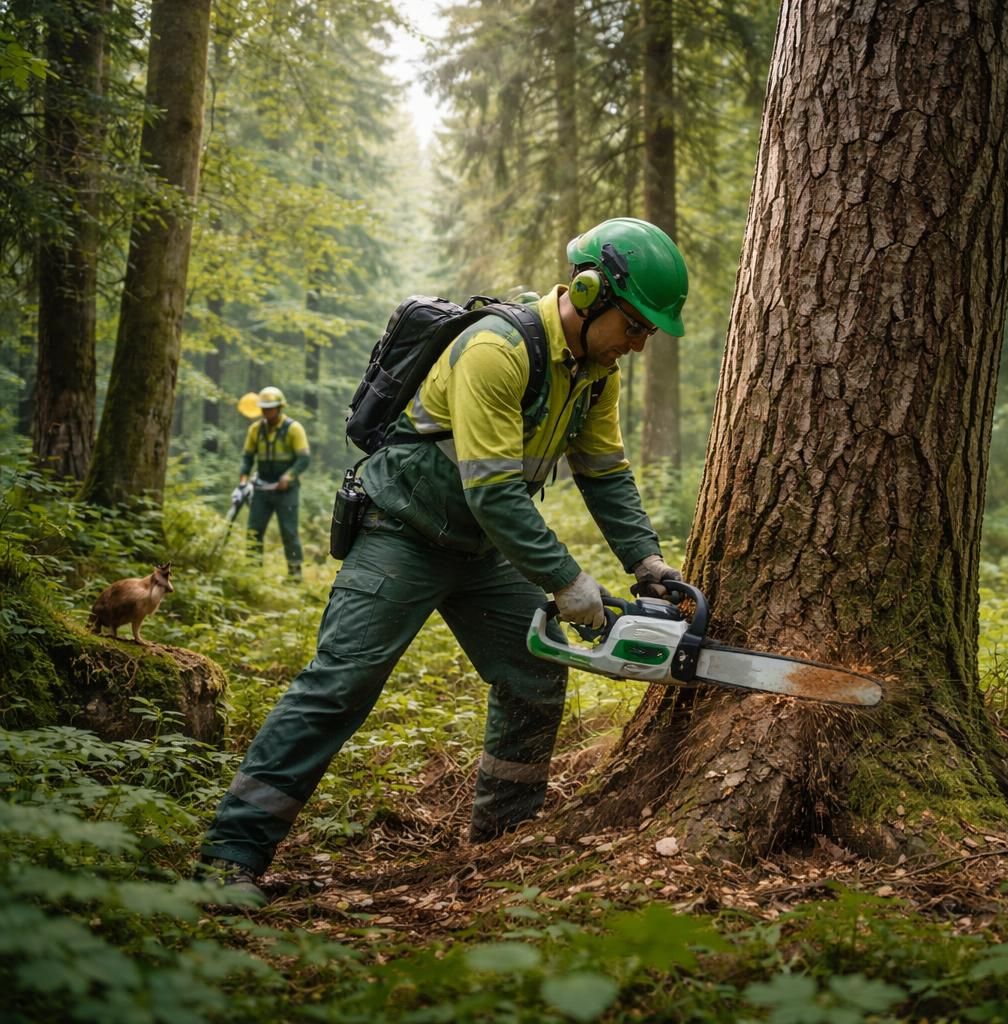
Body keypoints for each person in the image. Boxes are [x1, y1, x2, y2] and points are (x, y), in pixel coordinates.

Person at [200, 218, 690, 905]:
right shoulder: (497, 348)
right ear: (591, 293)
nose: (639, 344)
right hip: (403, 532)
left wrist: (649, 565)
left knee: (533, 671)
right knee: (340, 683)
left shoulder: (595, 375)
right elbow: (491, 489)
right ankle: (231, 856)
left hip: (483, 549)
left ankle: (501, 844)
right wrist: (568, 582)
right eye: (636, 326)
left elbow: (605, 473)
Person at [239, 386, 312, 578]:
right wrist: (243, 480)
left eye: (270, 408)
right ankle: (252, 574)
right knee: (254, 530)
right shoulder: (255, 430)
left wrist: (289, 477)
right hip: (261, 488)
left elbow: (304, 459)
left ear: (280, 407)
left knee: (289, 531)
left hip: (287, 489)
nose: (266, 412)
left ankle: (295, 574)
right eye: (263, 408)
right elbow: (247, 458)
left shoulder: (293, 429)